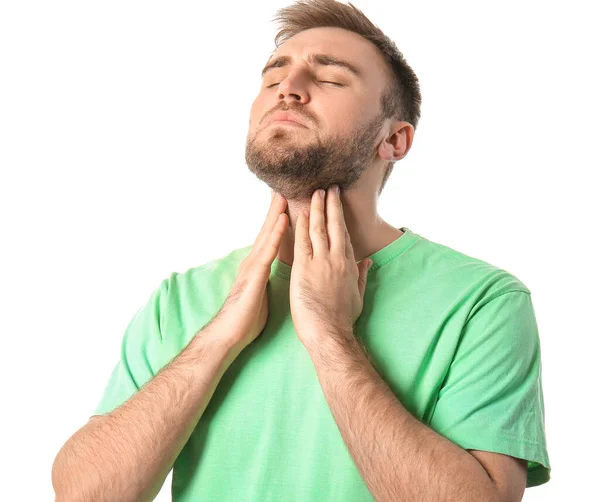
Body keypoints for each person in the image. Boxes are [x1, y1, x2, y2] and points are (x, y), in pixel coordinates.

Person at [51, 0, 551, 500]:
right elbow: (84, 495)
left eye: (331, 79)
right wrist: (219, 338)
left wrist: (330, 336)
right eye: (273, 78)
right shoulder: (179, 299)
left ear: (395, 139)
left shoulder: (481, 301)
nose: (289, 89)